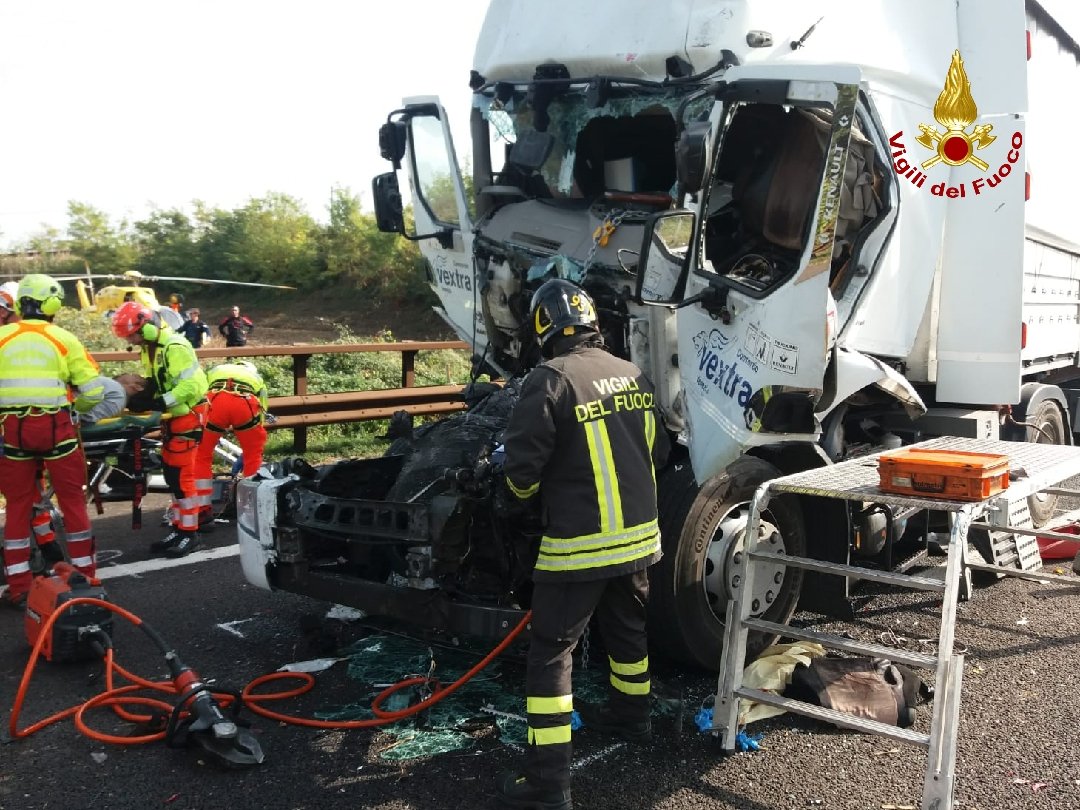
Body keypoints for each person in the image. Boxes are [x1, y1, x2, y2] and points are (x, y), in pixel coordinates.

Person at [495, 279, 669, 810]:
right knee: (627, 633)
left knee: (551, 654)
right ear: (592, 321)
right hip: (638, 541)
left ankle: (548, 783)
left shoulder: (550, 379)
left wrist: (515, 501)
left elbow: (521, 470)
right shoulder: (632, 374)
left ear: (543, 328)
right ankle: (632, 717)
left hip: (579, 547)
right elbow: (659, 451)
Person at [0, 274, 106, 608]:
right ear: (52, 304)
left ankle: (19, 586)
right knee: (73, 503)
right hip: (58, 431)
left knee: (18, 506)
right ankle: (86, 578)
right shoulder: (64, 339)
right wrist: (77, 410)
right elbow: (94, 391)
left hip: (12, 434)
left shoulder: (2, 337)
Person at [111, 301, 208, 557]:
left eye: (132, 335)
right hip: (173, 417)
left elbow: (192, 386)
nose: (130, 340)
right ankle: (180, 528)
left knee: (182, 477)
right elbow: (159, 380)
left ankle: (191, 533)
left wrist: (159, 402)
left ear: (147, 327)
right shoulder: (151, 349)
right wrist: (145, 396)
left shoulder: (175, 347)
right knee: (171, 476)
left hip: (187, 416)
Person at [193, 361, 269, 527]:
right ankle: (251, 506)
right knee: (253, 456)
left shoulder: (216, 369)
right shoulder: (256, 378)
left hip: (214, 401)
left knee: (201, 456)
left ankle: (202, 510)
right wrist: (252, 443)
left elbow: (199, 392)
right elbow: (262, 410)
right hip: (245, 403)